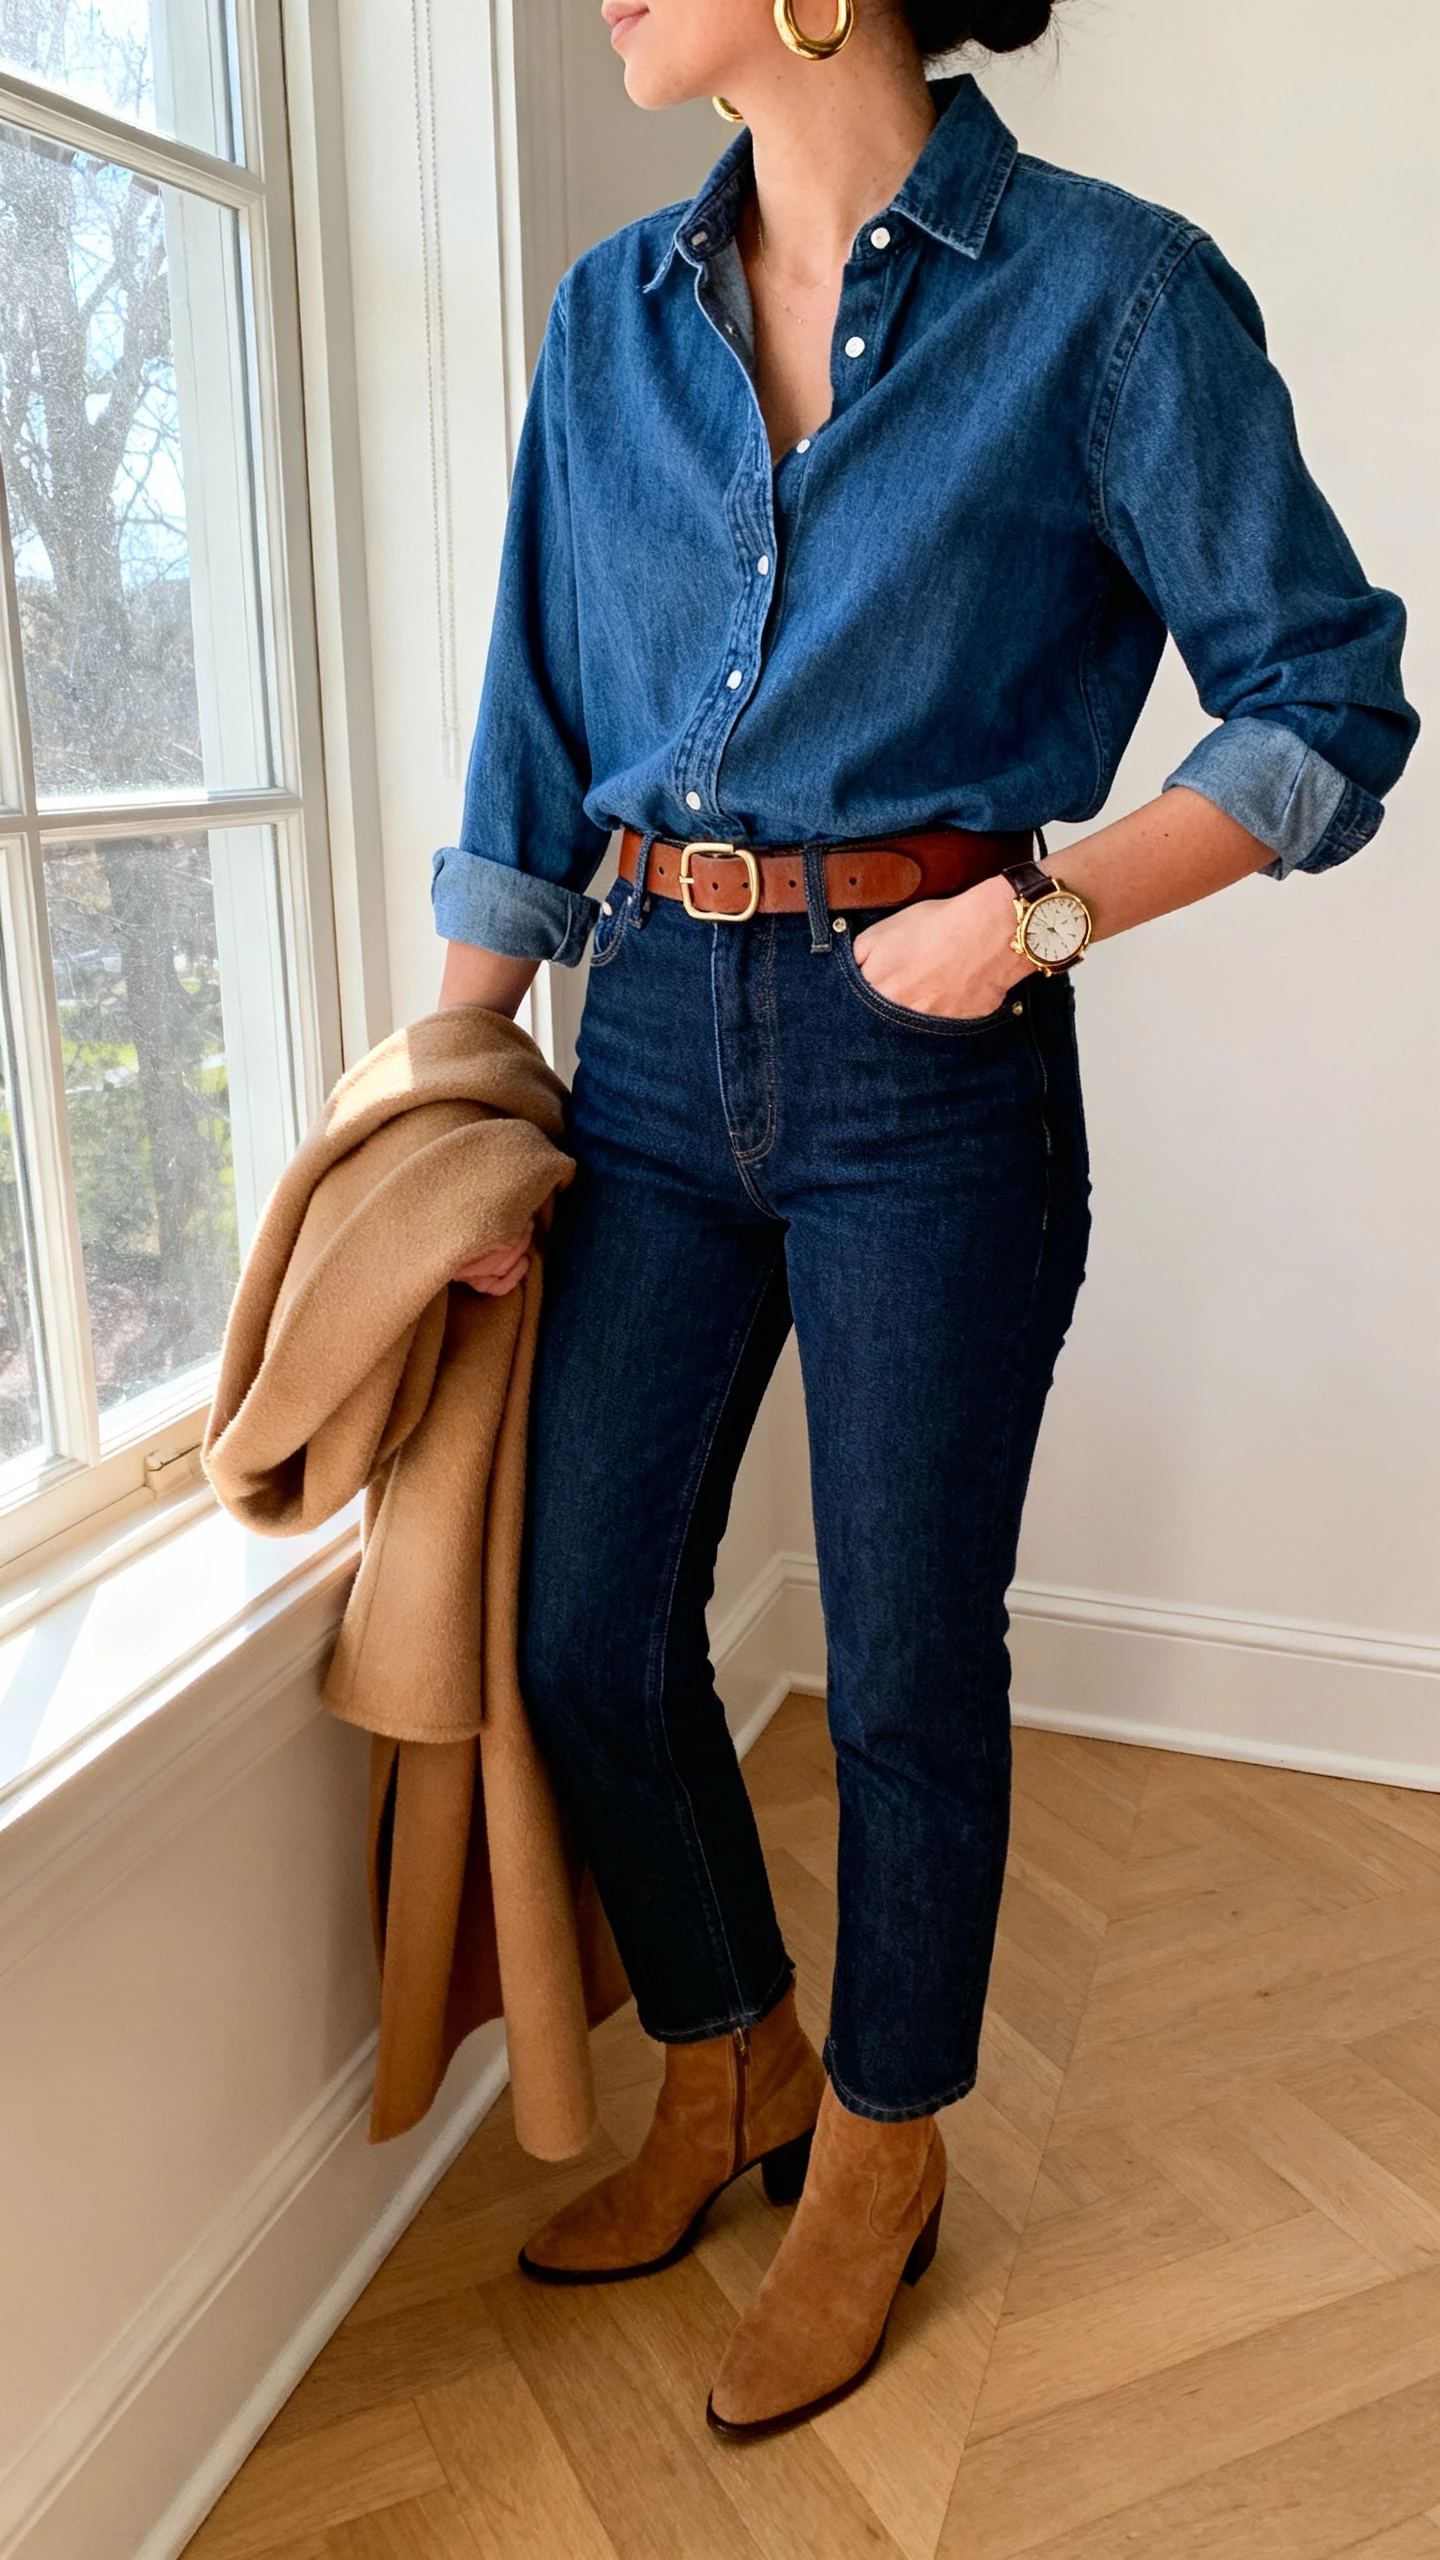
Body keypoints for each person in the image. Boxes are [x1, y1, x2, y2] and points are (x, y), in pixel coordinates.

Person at [430, 0, 1416, 2440]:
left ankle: (882, 2143)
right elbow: (529, 736)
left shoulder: (1112, 295)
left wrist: (1042, 915)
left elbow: (1331, 705)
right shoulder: (605, 323)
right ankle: (731, 2047)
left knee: (899, 1659)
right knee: (579, 1628)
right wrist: (461, 1089)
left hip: (930, 1053)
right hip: (643, 1037)